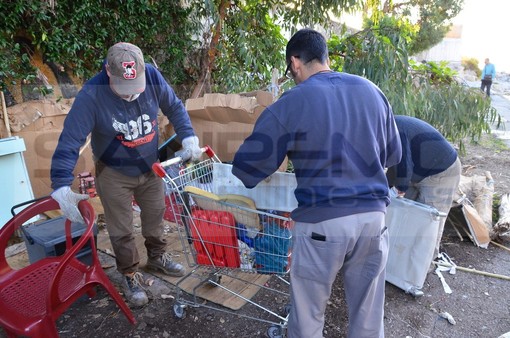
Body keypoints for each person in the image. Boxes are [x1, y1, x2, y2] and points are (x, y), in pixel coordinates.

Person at [231, 28, 402, 338]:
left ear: (295, 62)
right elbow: (392, 155)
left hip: (323, 224)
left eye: (290, 70)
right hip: (374, 221)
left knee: (308, 316)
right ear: (325, 57)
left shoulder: (294, 100)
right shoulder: (371, 91)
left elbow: (248, 168)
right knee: (368, 314)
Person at [50, 42, 203, 307]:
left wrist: (188, 137)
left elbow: (174, 107)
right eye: (125, 90)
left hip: (150, 166)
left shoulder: (153, 76)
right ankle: (129, 273)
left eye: (136, 89)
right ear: (108, 71)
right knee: (121, 229)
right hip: (114, 172)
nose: (131, 96)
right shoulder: (92, 95)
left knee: (155, 218)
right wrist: (60, 184)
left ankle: (157, 258)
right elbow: (70, 139)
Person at [386, 115, 461, 264]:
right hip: (419, 169)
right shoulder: (383, 127)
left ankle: (421, 271)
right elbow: (391, 163)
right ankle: (398, 263)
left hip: (441, 172)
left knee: (428, 222)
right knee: (404, 215)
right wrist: (387, 187)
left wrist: (398, 189)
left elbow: (403, 163)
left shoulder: (394, 129)